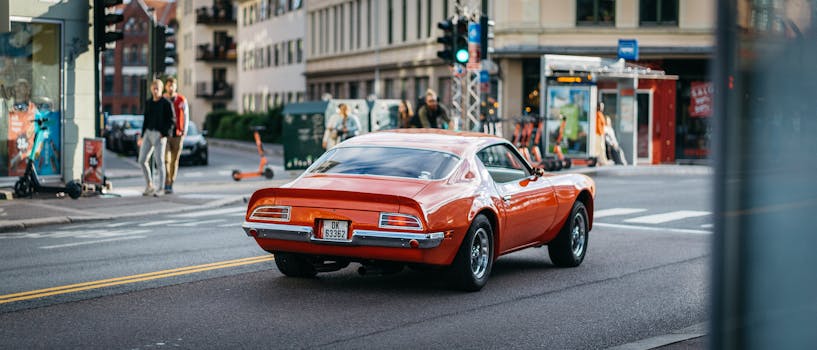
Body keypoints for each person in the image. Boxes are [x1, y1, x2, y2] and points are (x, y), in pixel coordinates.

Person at [137, 79, 175, 196]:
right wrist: (142, 136)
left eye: (157, 88)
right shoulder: (149, 103)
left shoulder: (166, 103)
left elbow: (172, 121)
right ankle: (149, 185)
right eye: (153, 88)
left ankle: (161, 188)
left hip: (159, 135)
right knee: (142, 160)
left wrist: (163, 133)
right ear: (151, 89)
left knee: (159, 162)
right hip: (148, 133)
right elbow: (146, 120)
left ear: (161, 89)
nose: (155, 91)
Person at [5, 79, 37, 176]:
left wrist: (21, 156)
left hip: (27, 161)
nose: (18, 90)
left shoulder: (33, 110)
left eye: (21, 87)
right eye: (17, 88)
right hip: (12, 157)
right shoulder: (9, 109)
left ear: (27, 92)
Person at [163, 77, 189, 194]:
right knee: (166, 159)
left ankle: (171, 182)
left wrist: (185, 130)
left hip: (178, 134)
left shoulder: (181, 100)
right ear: (166, 87)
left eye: (172, 85)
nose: (171, 88)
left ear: (176, 86)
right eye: (169, 85)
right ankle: (166, 181)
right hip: (166, 134)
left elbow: (186, 115)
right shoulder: (163, 99)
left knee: (174, 160)